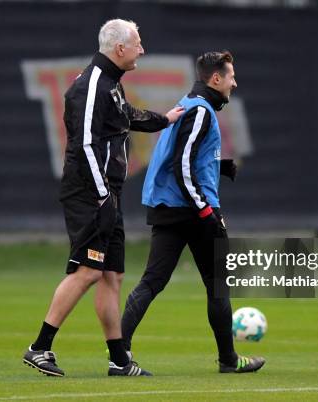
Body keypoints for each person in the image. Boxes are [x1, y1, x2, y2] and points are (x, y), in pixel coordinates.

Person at [22, 19, 184, 377]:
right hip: (89, 193)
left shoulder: (110, 83)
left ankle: (119, 360)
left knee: (112, 276)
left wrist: (165, 119)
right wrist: (101, 196)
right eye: (138, 44)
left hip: (107, 193)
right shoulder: (91, 85)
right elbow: (82, 146)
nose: (142, 50)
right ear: (120, 48)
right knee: (87, 272)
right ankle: (39, 348)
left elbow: (125, 116)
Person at [121, 51, 265, 373]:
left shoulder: (189, 104)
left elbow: (187, 157)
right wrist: (204, 211)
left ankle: (120, 356)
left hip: (169, 208)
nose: (234, 83)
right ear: (216, 79)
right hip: (191, 210)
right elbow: (182, 164)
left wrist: (218, 166)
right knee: (218, 285)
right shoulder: (200, 111)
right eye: (230, 76)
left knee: (152, 282)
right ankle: (229, 361)